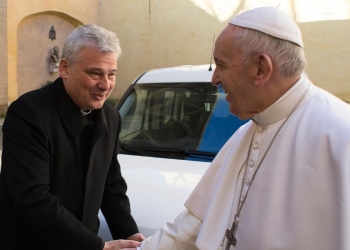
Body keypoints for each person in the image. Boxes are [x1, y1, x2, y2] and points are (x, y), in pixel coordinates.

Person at [137, 6, 350, 250]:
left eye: (221, 65)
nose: (214, 79)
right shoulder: (245, 133)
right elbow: (194, 222)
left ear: (260, 69)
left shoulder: (342, 135)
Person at [0, 24, 145, 250]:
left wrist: (130, 234)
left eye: (111, 74)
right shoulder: (28, 114)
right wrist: (98, 246)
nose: (105, 85)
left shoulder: (111, 117)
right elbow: (34, 199)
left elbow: (111, 184)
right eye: (94, 73)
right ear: (65, 68)